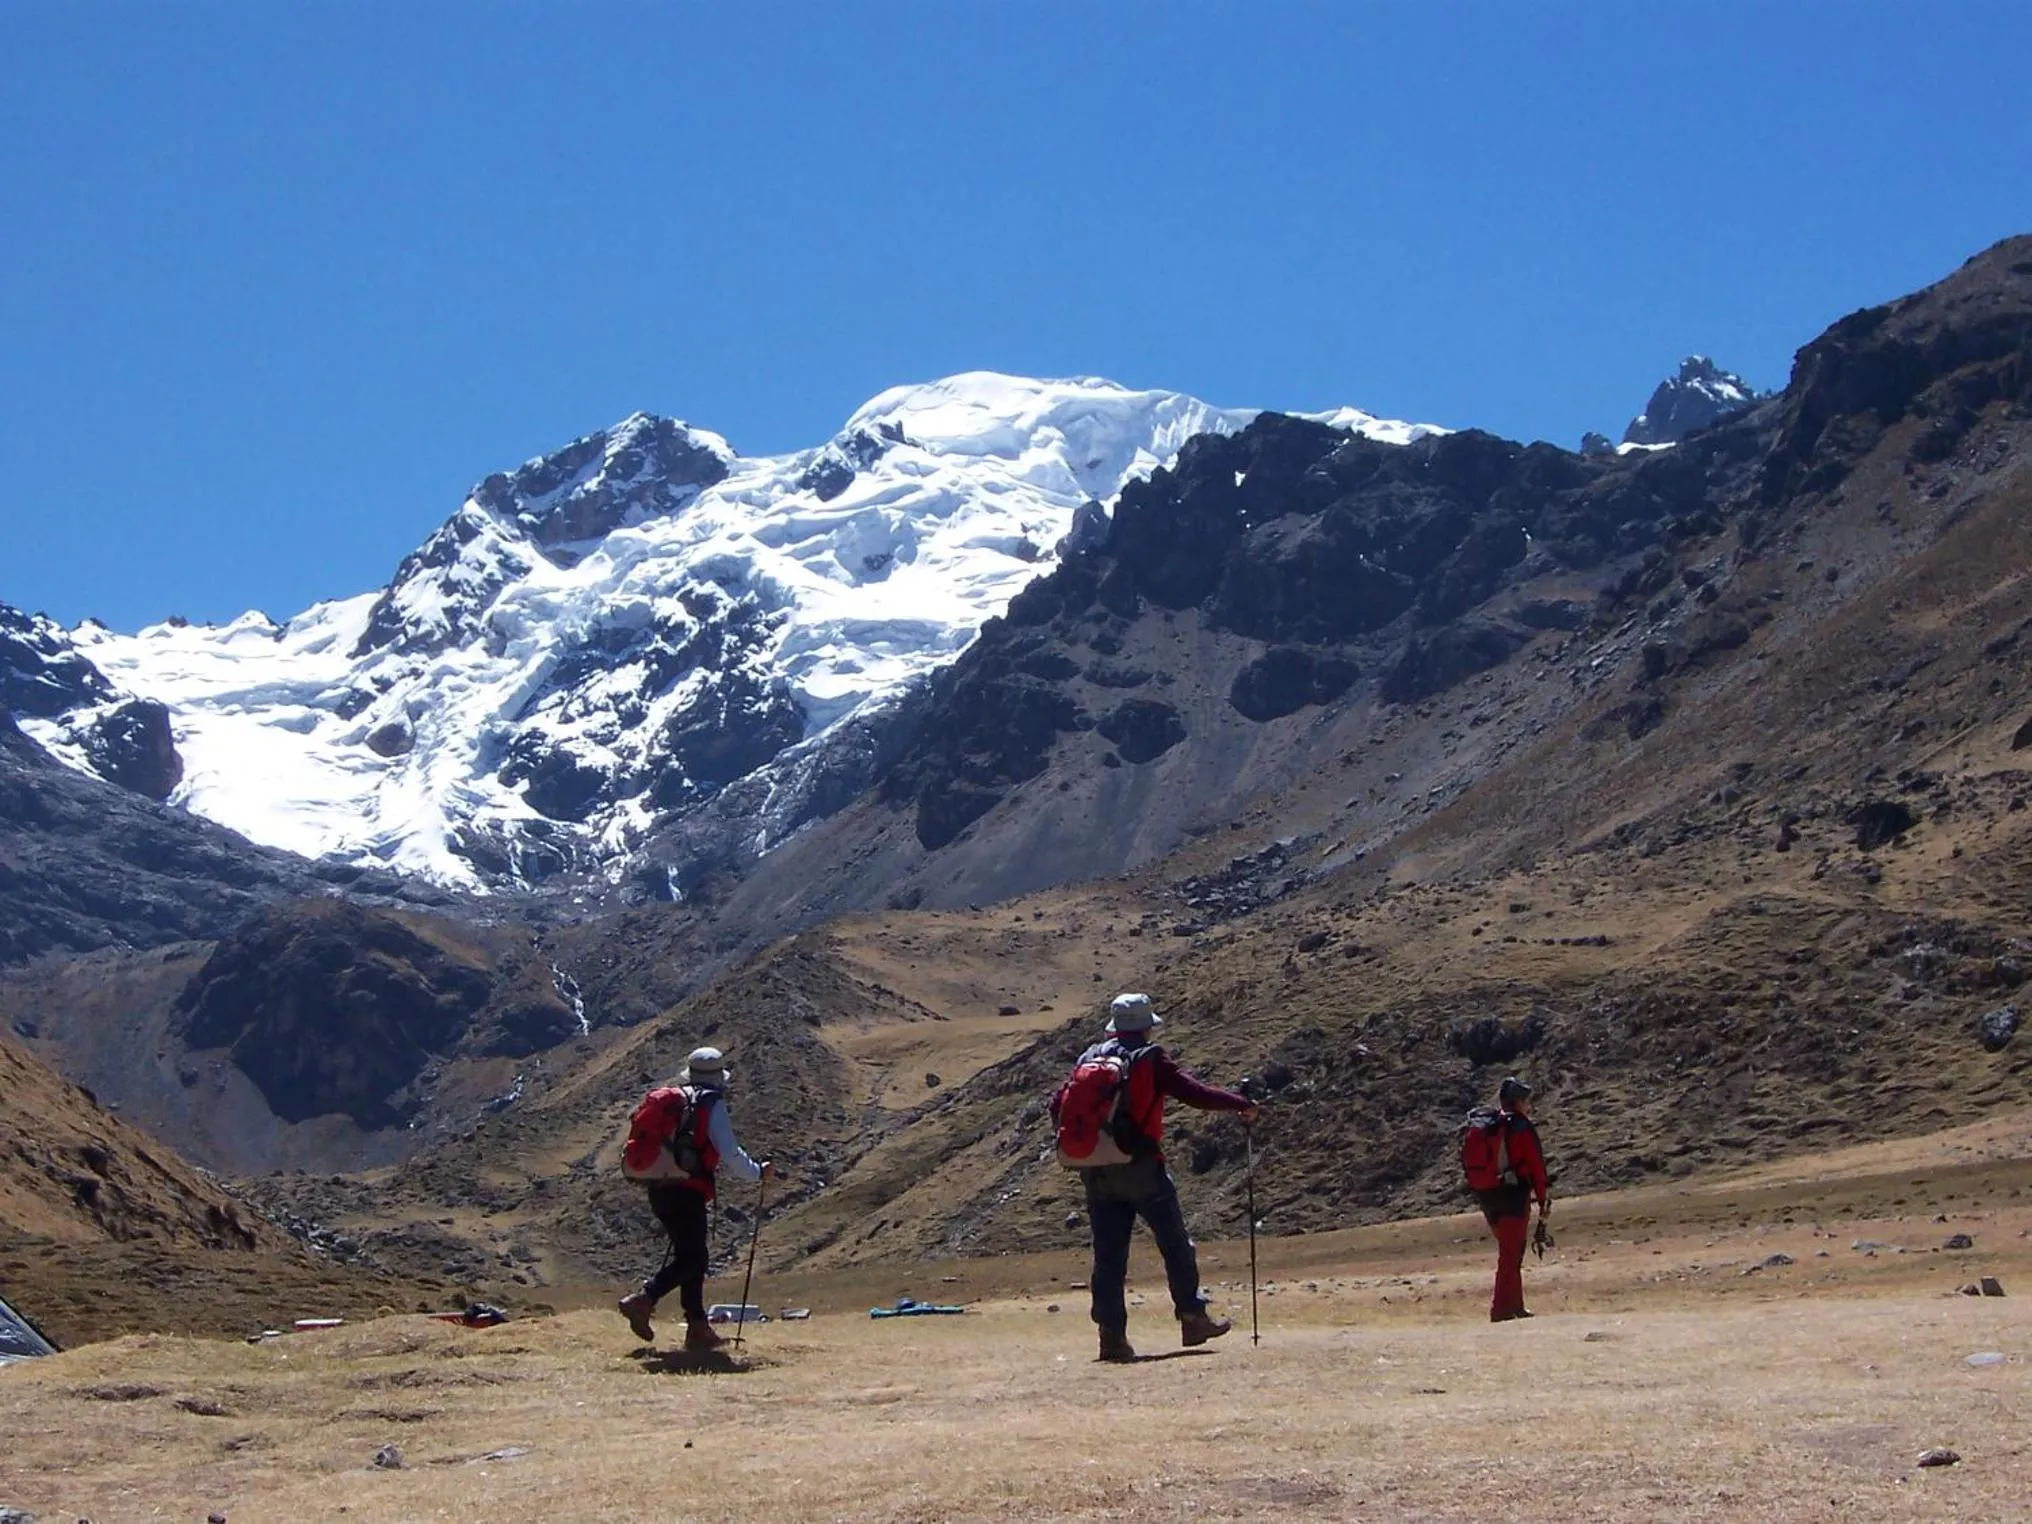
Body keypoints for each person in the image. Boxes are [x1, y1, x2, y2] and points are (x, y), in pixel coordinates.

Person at [1057, 992, 1259, 1362]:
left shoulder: (1090, 1057)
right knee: (1174, 1243)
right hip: (1142, 1166)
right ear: (1147, 1025)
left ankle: (1111, 1337)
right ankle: (1192, 1317)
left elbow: (1058, 1105)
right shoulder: (1150, 1058)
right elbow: (1194, 1093)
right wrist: (1240, 1103)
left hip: (1096, 1170)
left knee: (1108, 1255)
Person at [617, 1047, 772, 1350]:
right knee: (694, 1258)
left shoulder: (673, 1100)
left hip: (658, 1186)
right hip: (688, 1188)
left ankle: (697, 1327)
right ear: (719, 1077)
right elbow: (730, 1152)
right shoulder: (710, 1104)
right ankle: (645, 1299)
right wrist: (758, 1173)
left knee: (691, 1256)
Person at [1475, 1075, 1550, 1323]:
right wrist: (1543, 1199)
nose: (1529, 1105)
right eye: (1526, 1100)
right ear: (1518, 1101)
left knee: (1511, 1250)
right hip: (1512, 1195)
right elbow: (1536, 1166)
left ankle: (1515, 1306)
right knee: (1510, 1253)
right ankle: (1501, 1309)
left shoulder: (1490, 1126)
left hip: (1487, 1196)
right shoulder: (1520, 1128)